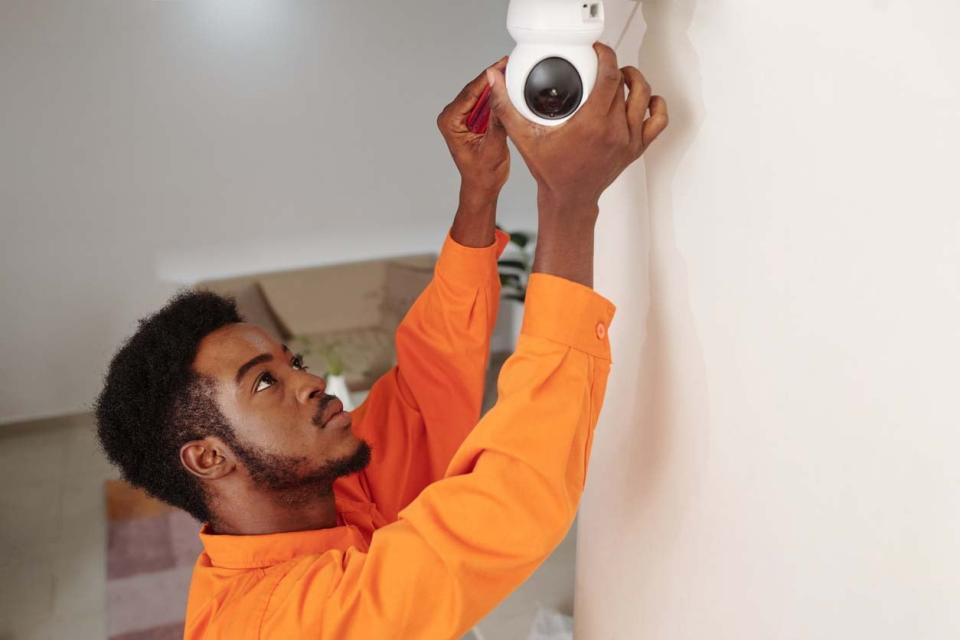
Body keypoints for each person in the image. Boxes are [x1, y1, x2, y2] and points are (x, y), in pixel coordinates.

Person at [94, 42, 668, 639]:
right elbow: (512, 497)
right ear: (208, 457)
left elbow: (427, 385)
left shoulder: (325, 488)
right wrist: (568, 202)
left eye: (290, 363)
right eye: (265, 382)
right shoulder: (284, 625)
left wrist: (480, 188)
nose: (310, 381)